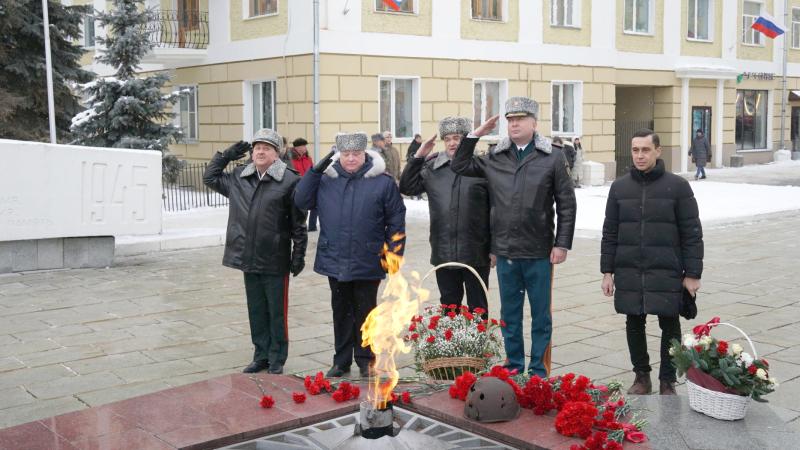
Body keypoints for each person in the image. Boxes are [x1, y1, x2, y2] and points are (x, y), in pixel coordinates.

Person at [451, 97, 576, 377]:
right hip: (505, 251)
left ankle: (539, 370)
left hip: (539, 251)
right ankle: (515, 364)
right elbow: (459, 165)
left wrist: (562, 243)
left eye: (520, 119)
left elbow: (566, 203)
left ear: (534, 123)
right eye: (510, 120)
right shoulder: (495, 157)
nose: (514, 124)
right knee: (510, 315)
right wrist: (475, 135)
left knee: (541, 316)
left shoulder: (552, 157)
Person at [294, 132, 406, 379]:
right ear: (338, 155)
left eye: (356, 154)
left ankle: (367, 360)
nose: (351, 158)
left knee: (367, 313)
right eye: (346, 154)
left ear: (365, 154)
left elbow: (396, 220)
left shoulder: (382, 182)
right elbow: (301, 199)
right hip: (335, 258)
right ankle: (341, 360)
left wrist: (394, 257)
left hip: (369, 259)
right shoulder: (326, 180)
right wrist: (317, 169)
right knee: (341, 311)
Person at [601, 129, 704, 395]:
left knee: (669, 323)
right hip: (629, 268)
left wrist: (692, 273)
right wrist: (607, 271)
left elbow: (692, 232)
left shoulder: (678, 186)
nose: (640, 155)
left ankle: (667, 380)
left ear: (658, 151)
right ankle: (641, 376)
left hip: (667, 268)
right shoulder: (619, 187)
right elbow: (610, 232)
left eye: (645, 150)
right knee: (633, 322)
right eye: (635, 150)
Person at [203, 129, 308, 375]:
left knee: (276, 311)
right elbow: (210, 178)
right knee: (257, 310)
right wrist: (226, 155)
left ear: (277, 153)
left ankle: (277, 358)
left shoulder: (291, 180)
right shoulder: (240, 176)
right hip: (247, 256)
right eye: (257, 148)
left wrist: (298, 256)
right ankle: (260, 355)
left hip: (275, 258)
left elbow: (298, 224)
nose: (260, 152)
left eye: (267, 148)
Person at [399, 117, 491, 314]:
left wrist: (495, 249)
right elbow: (407, 187)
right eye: (447, 138)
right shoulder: (433, 168)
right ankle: (451, 344)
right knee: (449, 307)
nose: (452, 143)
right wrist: (418, 156)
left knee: (478, 308)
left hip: (476, 251)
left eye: (457, 138)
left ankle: (479, 344)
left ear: (467, 140)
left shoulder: (481, 167)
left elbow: (495, 210)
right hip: (444, 250)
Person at [290, 137, 318, 231]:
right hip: (297, 186)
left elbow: (312, 170)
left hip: (309, 184)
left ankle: (312, 227)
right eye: (303, 146)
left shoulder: (308, 159)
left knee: (316, 204)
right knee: (301, 207)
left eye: (305, 146)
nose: (305, 148)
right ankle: (300, 225)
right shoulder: (291, 159)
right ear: (297, 148)